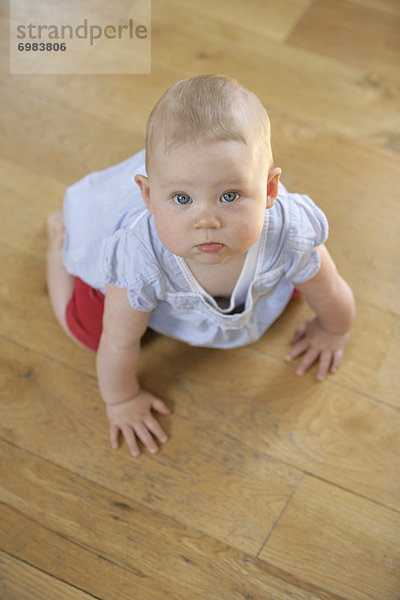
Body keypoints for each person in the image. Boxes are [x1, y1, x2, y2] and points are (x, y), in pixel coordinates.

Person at [47, 74, 356, 457]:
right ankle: (57, 243)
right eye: (181, 198)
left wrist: (334, 329)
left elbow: (330, 289)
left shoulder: (288, 231)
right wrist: (121, 400)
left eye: (230, 195)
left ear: (270, 191)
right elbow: (119, 341)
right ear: (148, 196)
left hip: (222, 274)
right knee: (89, 332)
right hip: (127, 283)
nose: (205, 220)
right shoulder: (138, 255)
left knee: (298, 284)